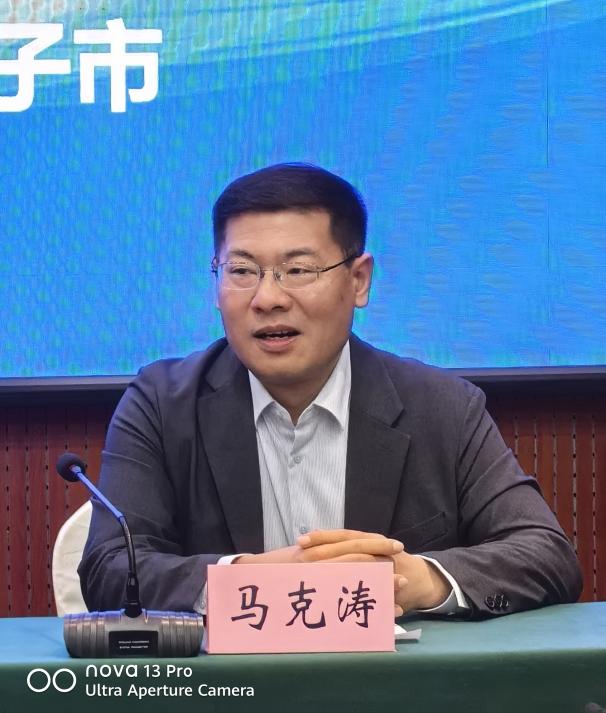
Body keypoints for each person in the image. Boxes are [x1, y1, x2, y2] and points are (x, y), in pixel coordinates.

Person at [80, 162, 582, 618]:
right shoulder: (162, 404)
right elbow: (109, 568)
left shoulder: (442, 407)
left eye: (298, 270)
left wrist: (421, 580)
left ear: (359, 281)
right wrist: (248, 580)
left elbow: (546, 555)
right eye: (242, 271)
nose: (268, 298)